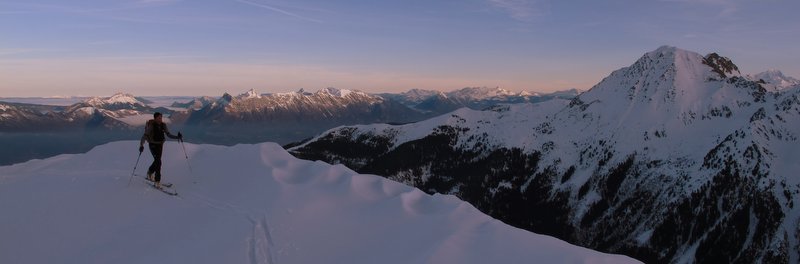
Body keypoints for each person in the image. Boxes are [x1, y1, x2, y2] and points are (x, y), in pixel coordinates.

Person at [139, 112, 182, 189]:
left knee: (157, 160)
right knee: (158, 162)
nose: (160, 119)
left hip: (160, 145)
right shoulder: (151, 126)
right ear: (155, 118)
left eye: (161, 118)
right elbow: (145, 136)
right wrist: (141, 145)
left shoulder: (163, 125)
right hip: (152, 145)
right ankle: (157, 181)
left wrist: (177, 137)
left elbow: (168, 134)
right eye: (159, 118)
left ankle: (150, 172)